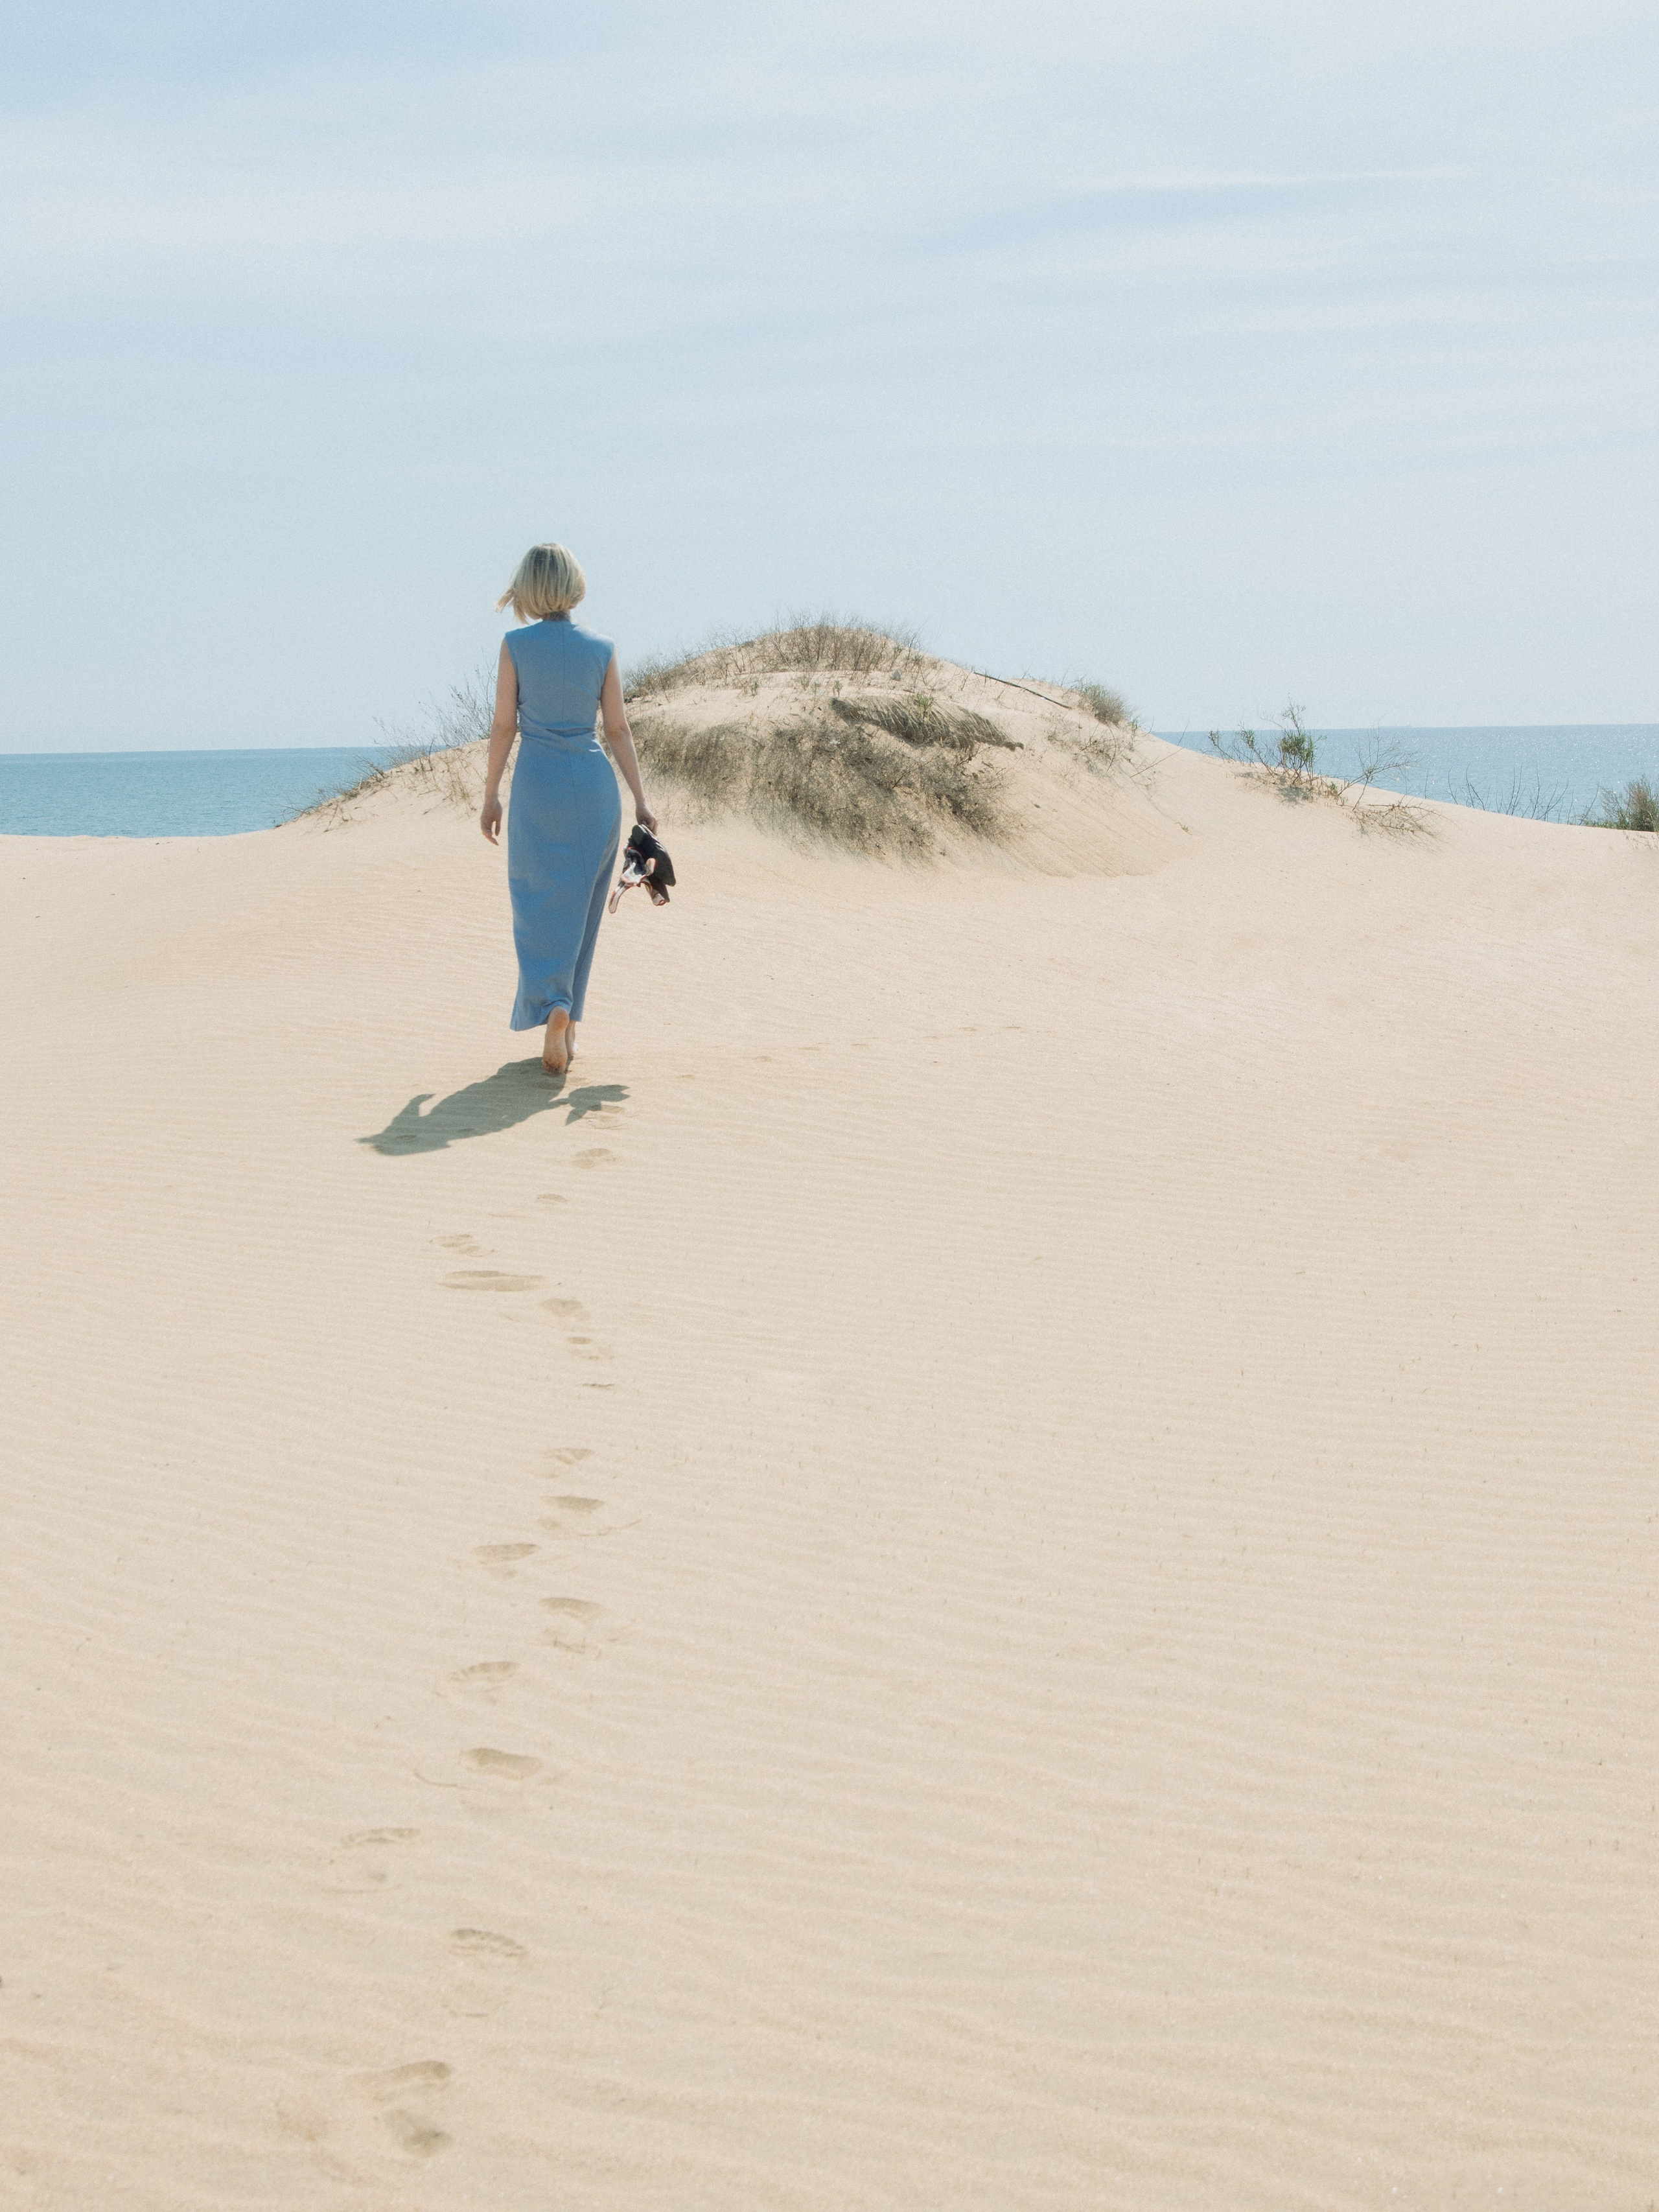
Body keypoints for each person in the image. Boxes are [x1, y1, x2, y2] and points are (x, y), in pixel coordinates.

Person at [479, 543, 657, 1075]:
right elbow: (618, 728)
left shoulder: (515, 645)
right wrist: (642, 800)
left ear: (530, 588)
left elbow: (504, 726)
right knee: (583, 909)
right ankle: (568, 1016)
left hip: (538, 787)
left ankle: (554, 1005)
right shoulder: (601, 647)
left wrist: (490, 794)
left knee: (536, 904)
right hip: (593, 787)